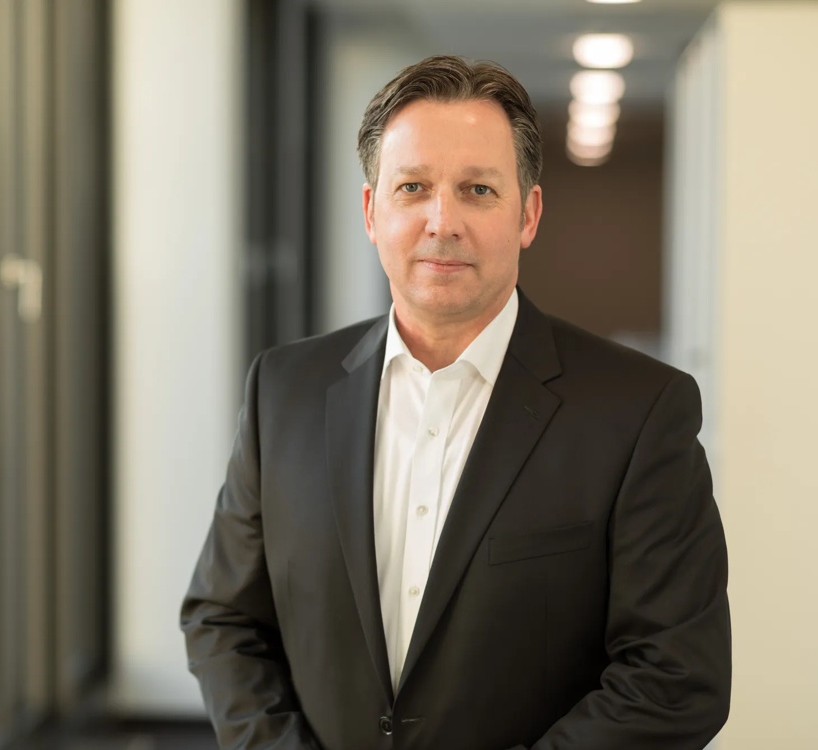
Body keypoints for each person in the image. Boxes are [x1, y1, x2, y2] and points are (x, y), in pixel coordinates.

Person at [181, 55, 731, 750]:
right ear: (371, 210)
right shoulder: (283, 391)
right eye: (413, 187)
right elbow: (223, 618)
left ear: (528, 214)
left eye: (477, 190)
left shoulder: (640, 412)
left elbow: (677, 675)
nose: (443, 221)